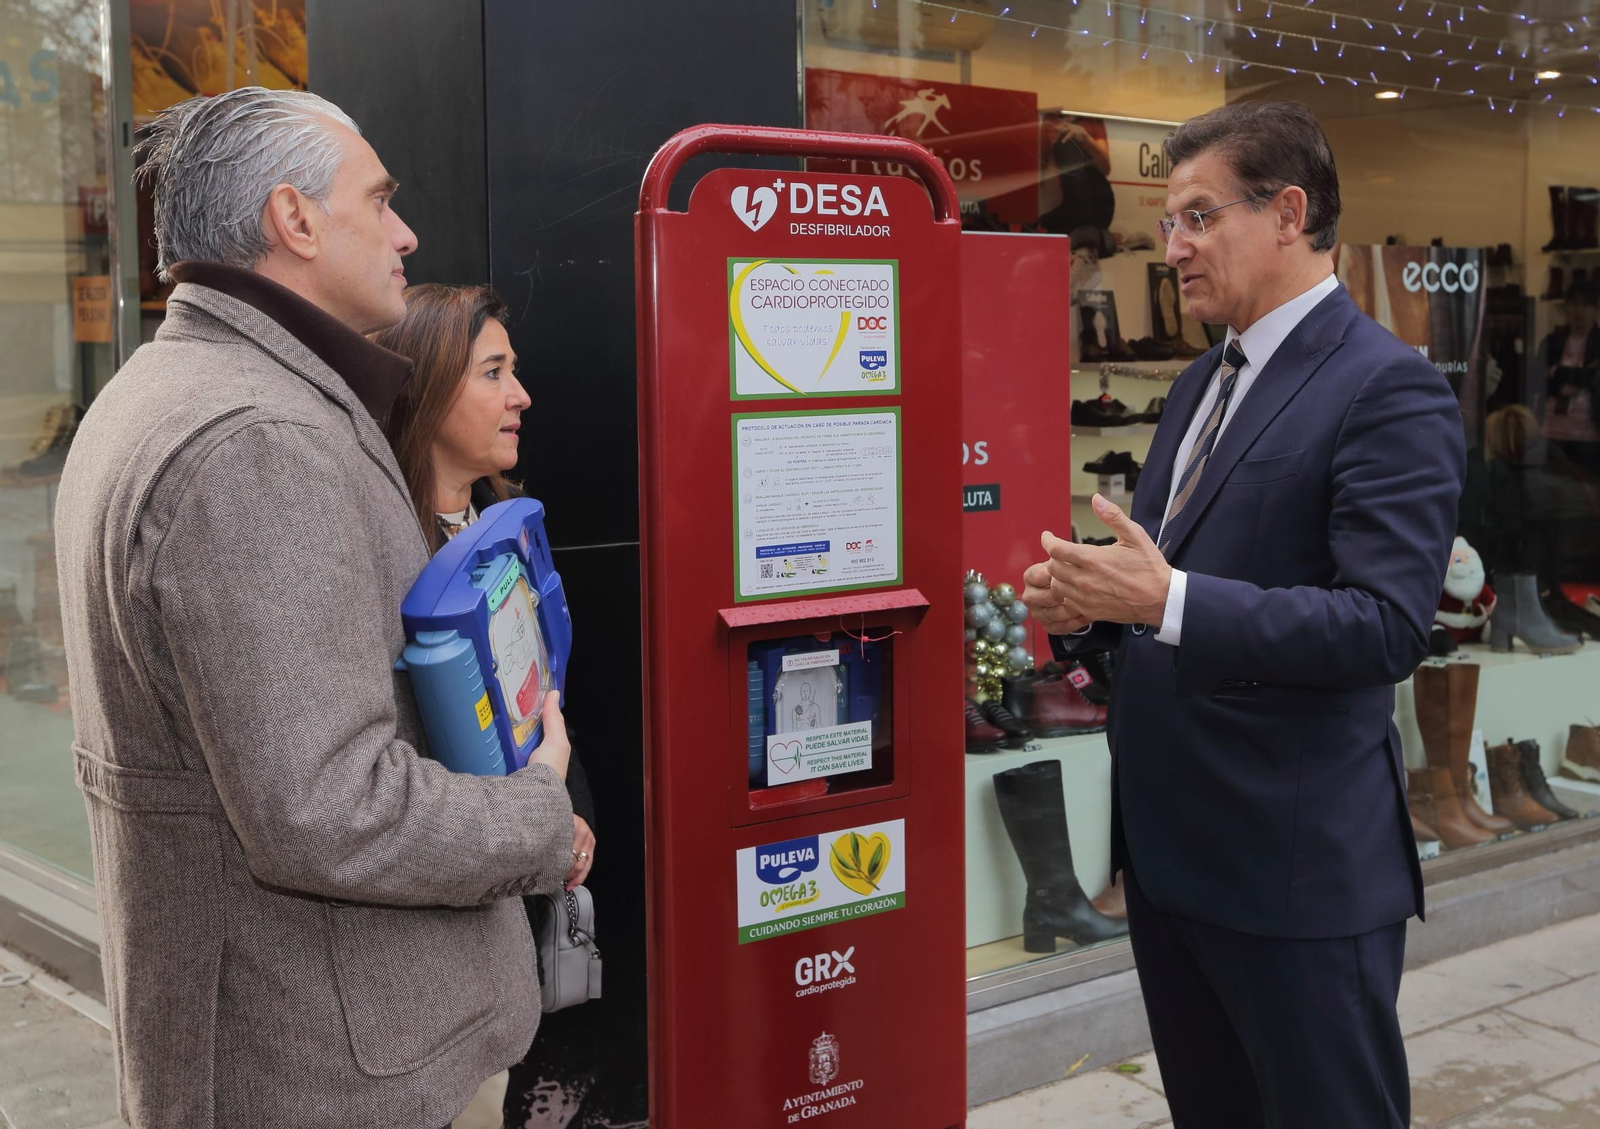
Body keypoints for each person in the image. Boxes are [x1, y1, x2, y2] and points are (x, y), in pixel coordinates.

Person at [55, 88, 578, 1129]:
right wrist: (539, 808)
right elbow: (326, 809)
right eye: (379, 201)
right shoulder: (256, 440)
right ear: (293, 220)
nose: (404, 232)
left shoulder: (175, 388)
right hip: (341, 1077)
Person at [1022, 101, 1465, 1129]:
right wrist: (1090, 606)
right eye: (1169, 221)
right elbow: (1165, 585)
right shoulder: (1192, 387)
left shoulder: (1385, 389)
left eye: (1196, 217)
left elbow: (1383, 626)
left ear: (1287, 213)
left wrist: (1164, 598)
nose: (1170, 247)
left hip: (1293, 877)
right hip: (1171, 865)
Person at [374, 283, 605, 1128]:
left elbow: (547, 700)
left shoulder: (503, 526)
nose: (522, 396)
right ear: (429, 388)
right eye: (495, 372)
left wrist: (565, 818)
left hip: (510, 931)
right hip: (427, 979)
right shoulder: (387, 558)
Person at [1539, 283, 1600, 479]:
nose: (1578, 311)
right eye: (1573, 305)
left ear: (1595, 308)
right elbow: (1539, 381)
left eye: (1584, 305)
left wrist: (1560, 373)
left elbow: (1595, 381)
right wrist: (1581, 376)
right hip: (1552, 429)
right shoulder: (1552, 341)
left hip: (1589, 433)